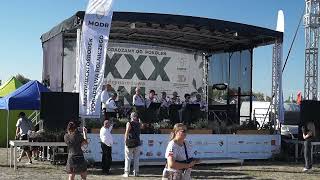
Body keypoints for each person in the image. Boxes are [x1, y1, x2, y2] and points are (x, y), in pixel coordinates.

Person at [123, 112, 141, 177]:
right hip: (137, 142)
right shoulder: (139, 124)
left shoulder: (129, 123)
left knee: (128, 158)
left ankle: (127, 173)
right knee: (136, 158)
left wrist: (125, 140)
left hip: (130, 142)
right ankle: (136, 172)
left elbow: (127, 132)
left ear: (131, 116)